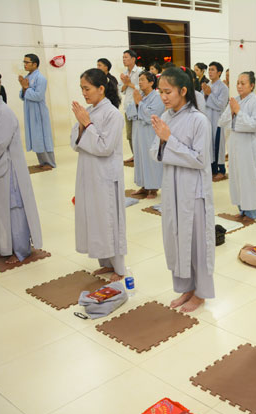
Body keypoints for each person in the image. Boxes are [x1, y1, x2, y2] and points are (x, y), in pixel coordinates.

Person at [150, 67, 215, 313]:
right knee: (176, 239)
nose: (163, 97)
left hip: (193, 191)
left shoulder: (199, 120)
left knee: (196, 243)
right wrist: (163, 140)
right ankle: (186, 288)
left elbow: (200, 159)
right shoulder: (165, 116)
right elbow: (154, 152)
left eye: (168, 92)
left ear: (183, 90)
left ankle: (201, 293)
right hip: (172, 187)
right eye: (161, 92)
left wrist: (169, 140)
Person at [70, 69, 127, 281]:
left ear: (101, 88)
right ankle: (105, 263)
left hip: (105, 176)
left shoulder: (113, 114)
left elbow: (105, 147)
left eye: (87, 88)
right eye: (82, 89)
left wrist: (87, 124)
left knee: (109, 220)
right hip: (88, 174)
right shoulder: (89, 111)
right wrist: (82, 124)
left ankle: (119, 268)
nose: (84, 93)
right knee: (95, 218)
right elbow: (75, 142)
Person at [0, 72, 43, 264]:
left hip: (8, 170)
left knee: (14, 209)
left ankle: (20, 250)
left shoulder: (3, 112)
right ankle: (6, 246)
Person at [219, 71, 256, 221]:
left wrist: (238, 112)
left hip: (249, 147)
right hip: (235, 146)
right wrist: (232, 112)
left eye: (243, 83)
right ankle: (242, 209)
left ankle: (251, 212)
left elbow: (255, 125)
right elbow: (222, 122)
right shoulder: (235, 100)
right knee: (237, 177)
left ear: (251, 85)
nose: (239, 86)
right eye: (238, 83)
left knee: (249, 178)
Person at [125, 71, 164, 199]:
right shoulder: (139, 95)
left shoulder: (157, 97)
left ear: (151, 82)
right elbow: (130, 112)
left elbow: (151, 116)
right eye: (139, 80)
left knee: (151, 160)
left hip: (150, 134)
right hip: (138, 132)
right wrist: (137, 104)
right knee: (140, 158)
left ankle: (153, 188)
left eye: (142, 80)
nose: (140, 82)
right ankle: (144, 186)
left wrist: (139, 104)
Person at [18, 53, 55, 169]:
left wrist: (26, 88)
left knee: (42, 136)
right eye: (24, 62)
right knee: (35, 137)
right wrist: (23, 88)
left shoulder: (41, 78)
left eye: (27, 62)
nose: (25, 64)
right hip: (30, 112)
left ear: (34, 64)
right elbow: (22, 96)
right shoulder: (27, 78)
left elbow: (38, 96)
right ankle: (42, 162)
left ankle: (50, 163)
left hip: (39, 112)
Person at [201, 61, 229, 180]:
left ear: (219, 72)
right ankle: (212, 170)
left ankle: (221, 171)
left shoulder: (223, 88)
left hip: (217, 120)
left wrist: (209, 95)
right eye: (209, 70)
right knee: (209, 145)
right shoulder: (208, 85)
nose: (210, 72)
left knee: (218, 145)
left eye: (213, 70)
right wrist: (205, 94)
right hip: (207, 120)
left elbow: (221, 105)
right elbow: (202, 102)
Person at [119, 49, 142, 163]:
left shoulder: (140, 72)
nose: (124, 59)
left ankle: (140, 156)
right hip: (128, 107)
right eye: (123, 57)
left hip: (137, 107)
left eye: (126, 57)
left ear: (133, 59)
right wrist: (125, 83)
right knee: (129, 134)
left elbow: (142, 88)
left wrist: (129, 83)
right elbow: (121, 90)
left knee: (138, 134)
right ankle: (135, 155)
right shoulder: (124, 73)